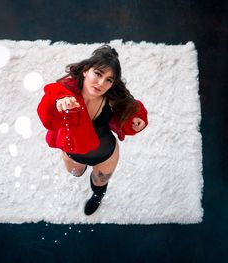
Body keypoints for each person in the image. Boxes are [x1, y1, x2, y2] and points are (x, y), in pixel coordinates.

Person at [37, 44, 148, 215]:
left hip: (105, 154)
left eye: (109, 80)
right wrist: (57, 104)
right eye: (98, 74)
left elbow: (133, 108)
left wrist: (136, 120)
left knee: (99, 183)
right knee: (76, 172)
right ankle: (81, 171)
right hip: (73, 151)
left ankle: (97, 197)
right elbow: (47, 114)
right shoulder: (64, 93)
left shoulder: (111, 100)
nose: (101, 83)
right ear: (85, 71)